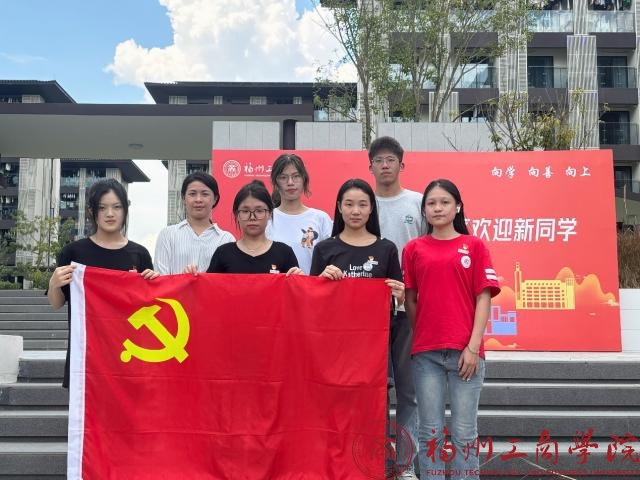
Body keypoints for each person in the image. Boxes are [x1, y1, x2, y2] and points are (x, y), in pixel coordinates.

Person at [402, 179, 501, 480]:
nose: (438, 208)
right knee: (429, 432)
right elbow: (410, 299)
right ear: (424, 210)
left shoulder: (475, 246)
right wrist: (424, 334)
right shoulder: (413, 249)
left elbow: (483, 297)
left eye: (444, 202)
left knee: (464, 432)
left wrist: (472, 347)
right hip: (426, 355)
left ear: (457, 206)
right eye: (431, 203)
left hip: (466, 354)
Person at [47, 178, 159, 389]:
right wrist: (54, 284)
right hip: (87, 356)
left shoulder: (139, 253)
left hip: (128, 355)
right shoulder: (74, 252)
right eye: (102, 208)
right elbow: (56, 303)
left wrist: (152, 283)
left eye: (117, 207)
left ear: (125, 210)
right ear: (92, 212)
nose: (110, 214)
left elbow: (149, 306)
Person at [368, 136, 423, 479]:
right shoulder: (363, 202)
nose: (385, 165)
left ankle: (405, 465)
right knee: (373, 393)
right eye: (379, 160)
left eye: (391, 160)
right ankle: (373, 460)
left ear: (401, 165)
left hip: (408, 312)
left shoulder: (417, 203)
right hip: (368, 316)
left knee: (408, 392)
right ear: (370, 166)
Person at [207, 180, 303, 275]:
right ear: (237, 214)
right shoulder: (223, 253)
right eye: (245, 211)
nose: (252, 217)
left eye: (259, 211)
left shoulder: (284, 253)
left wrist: (299, 278)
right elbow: (208, 284)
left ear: (270, 213)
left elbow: (295, 285)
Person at [155, 171, 234, 274]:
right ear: (183, 198)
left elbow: (229, 279)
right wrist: (183, 279)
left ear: (215, 199)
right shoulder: (167, 235)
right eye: (192, 194)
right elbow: (161, 279)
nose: (198, 199)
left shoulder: (226, 239)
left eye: (205, 194)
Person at [266, 153, 332, 274]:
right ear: (275, 182)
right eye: (283, 177)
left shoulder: (320, 218)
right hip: (277, 285)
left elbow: (332, 259)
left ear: (304, 179)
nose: (290, 182)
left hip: (313, 285)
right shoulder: (268, 219)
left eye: (296, 176)